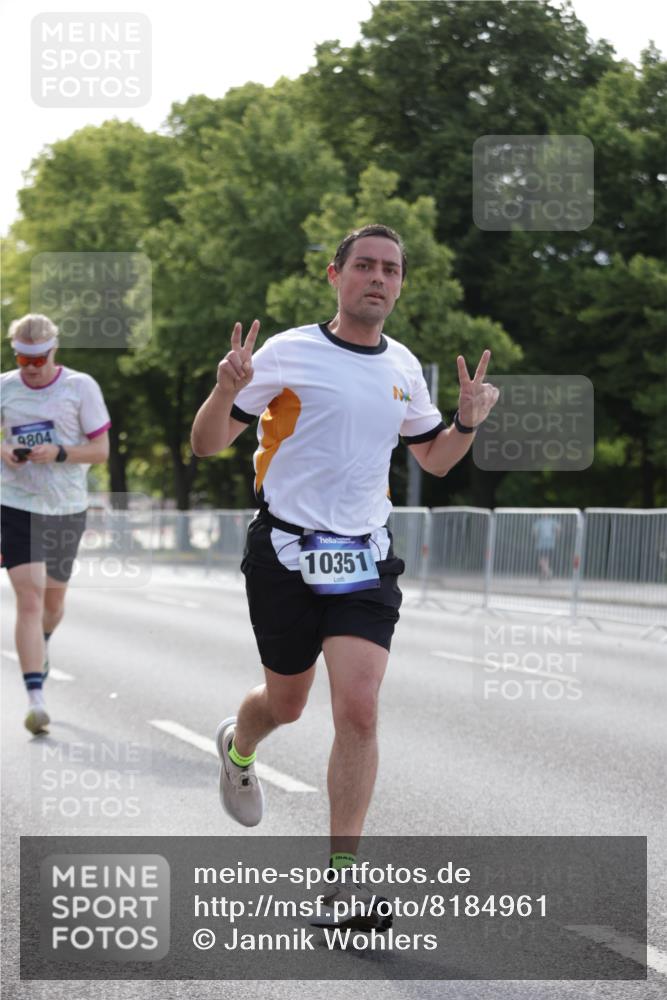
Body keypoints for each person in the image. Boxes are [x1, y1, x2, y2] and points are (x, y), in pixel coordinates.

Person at [191, 224, 499, 929]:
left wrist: (466, 421)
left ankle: (340, 886)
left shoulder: (403, 366)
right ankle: (238, 748)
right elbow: (207, 445)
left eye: (390, 269)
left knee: (357, 708)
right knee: (286, 704)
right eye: (364, 265)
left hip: (362, 556)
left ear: (399, 283)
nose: (378, 278)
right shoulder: (286, 352)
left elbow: (436, 459)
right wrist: (222, 392)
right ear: (335, 275)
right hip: (285, 553)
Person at [1, 314, 111, 734]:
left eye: (39, 358)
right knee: (28, 599)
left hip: (65, 506)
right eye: (23, 359)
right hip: (16, 503)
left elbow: (100, 450)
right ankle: (35, 699)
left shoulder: (80, 388)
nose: (31, 367)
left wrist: (61, 452)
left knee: (52, 604)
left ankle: (43, 644)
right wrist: (5, 449)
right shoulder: (5, 388)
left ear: (54, 351)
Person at [532, 514, 561, 581]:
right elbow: (558, 528)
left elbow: (535, 530)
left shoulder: (540, 521)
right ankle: (544, 575)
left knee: (541, 560)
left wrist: (536, 537)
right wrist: (557, 536)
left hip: (542, 543)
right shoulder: (551, 520)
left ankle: (548, 572)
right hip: (550, 543)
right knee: (545, 560)